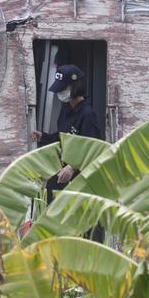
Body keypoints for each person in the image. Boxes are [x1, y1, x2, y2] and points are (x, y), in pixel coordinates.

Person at [31, 64, 104, 241]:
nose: (60, 93)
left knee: (84, 224)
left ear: (75, 86)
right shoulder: (66, 110)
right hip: (64, 175)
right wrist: (43, 137)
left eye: (63, 89)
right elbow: (63, 138)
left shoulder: (87, 114)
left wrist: (72, 167)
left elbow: (93, 149)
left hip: (83, 179)